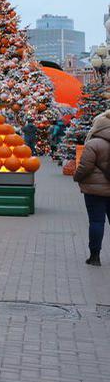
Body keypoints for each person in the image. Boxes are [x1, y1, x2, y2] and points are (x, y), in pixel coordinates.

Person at [73, 111, 110, 266]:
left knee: (96, 222)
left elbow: (85, 167)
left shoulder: (93, 144)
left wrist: (76, 177)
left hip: (95, 191)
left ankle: (95, 257)